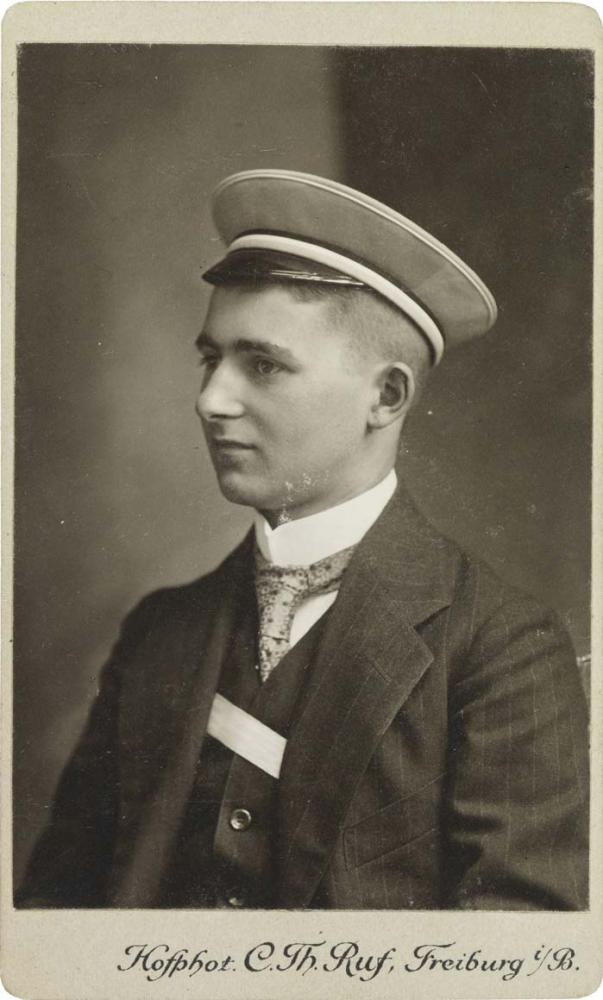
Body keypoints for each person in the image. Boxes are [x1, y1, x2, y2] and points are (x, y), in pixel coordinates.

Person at [17, 169, 589, 910]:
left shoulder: (499, 648)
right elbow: (54, 921)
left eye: (262, 365)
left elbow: (520, 950)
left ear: (385, 397)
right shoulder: (158, 632)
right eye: (210, 359)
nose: (211, 399)